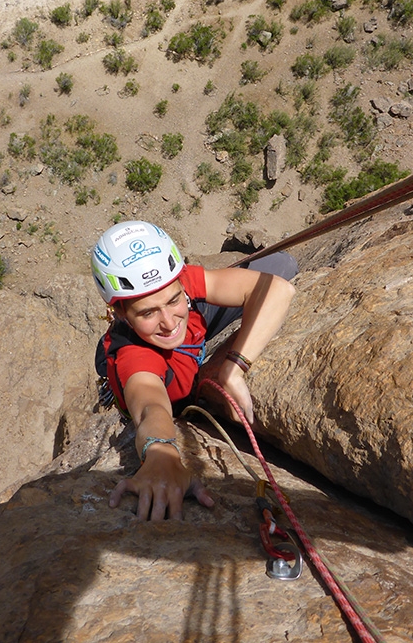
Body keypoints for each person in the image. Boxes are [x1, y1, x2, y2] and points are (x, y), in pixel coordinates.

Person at [91, 220, 297, 521]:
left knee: (281, 264)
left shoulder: (178, 283)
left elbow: (278, 289)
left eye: (174, 299)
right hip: (164, 367)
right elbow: (150, 405)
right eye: (147, 312)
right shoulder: (135, 356)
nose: (168, 320)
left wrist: (235, 367)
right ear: (120, 312)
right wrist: (161, 453)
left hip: (191, 339)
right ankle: (109, 350)